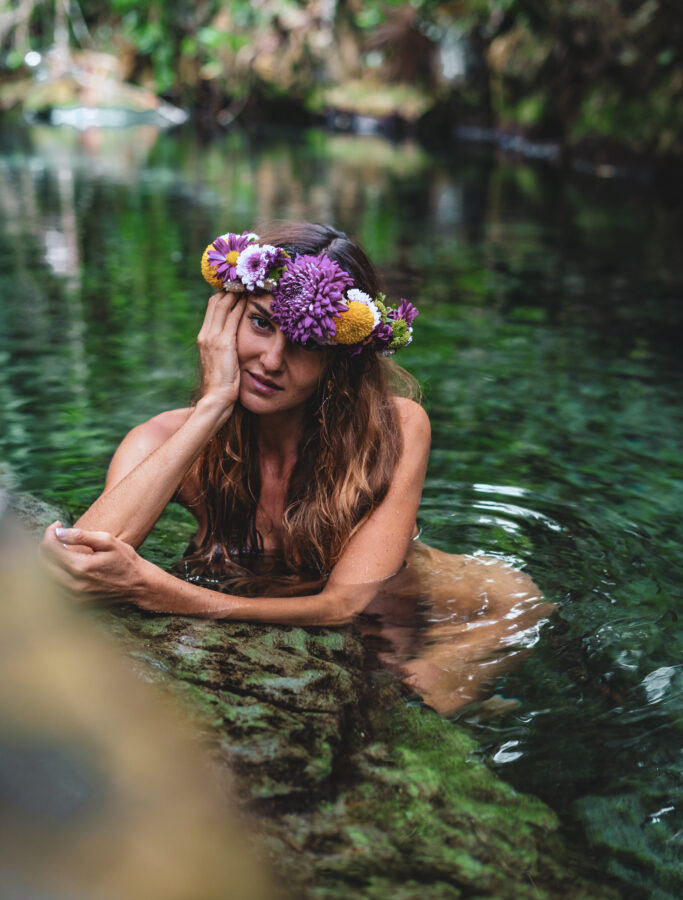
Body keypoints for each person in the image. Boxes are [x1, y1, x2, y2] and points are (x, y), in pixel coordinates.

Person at [42, 222, 552, 714]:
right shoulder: (161, 439)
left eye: (306, 342)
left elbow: (342, 606)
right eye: (260, 323)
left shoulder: (397, 427)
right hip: (279, 585)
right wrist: (213, 406)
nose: (271, 360)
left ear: (340, 356)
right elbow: (78, 561)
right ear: (223, 320)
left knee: (513, 604)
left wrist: (161, 592)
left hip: (393, 588)